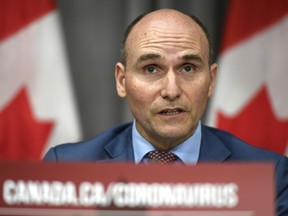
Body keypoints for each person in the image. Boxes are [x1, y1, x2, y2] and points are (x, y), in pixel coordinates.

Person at [43, 9, 288, 214]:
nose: (171, 90)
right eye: (151, 69)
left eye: (189, 68)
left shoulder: (270, 175)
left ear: (211, 80)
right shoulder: (65, 168)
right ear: (121, 80)